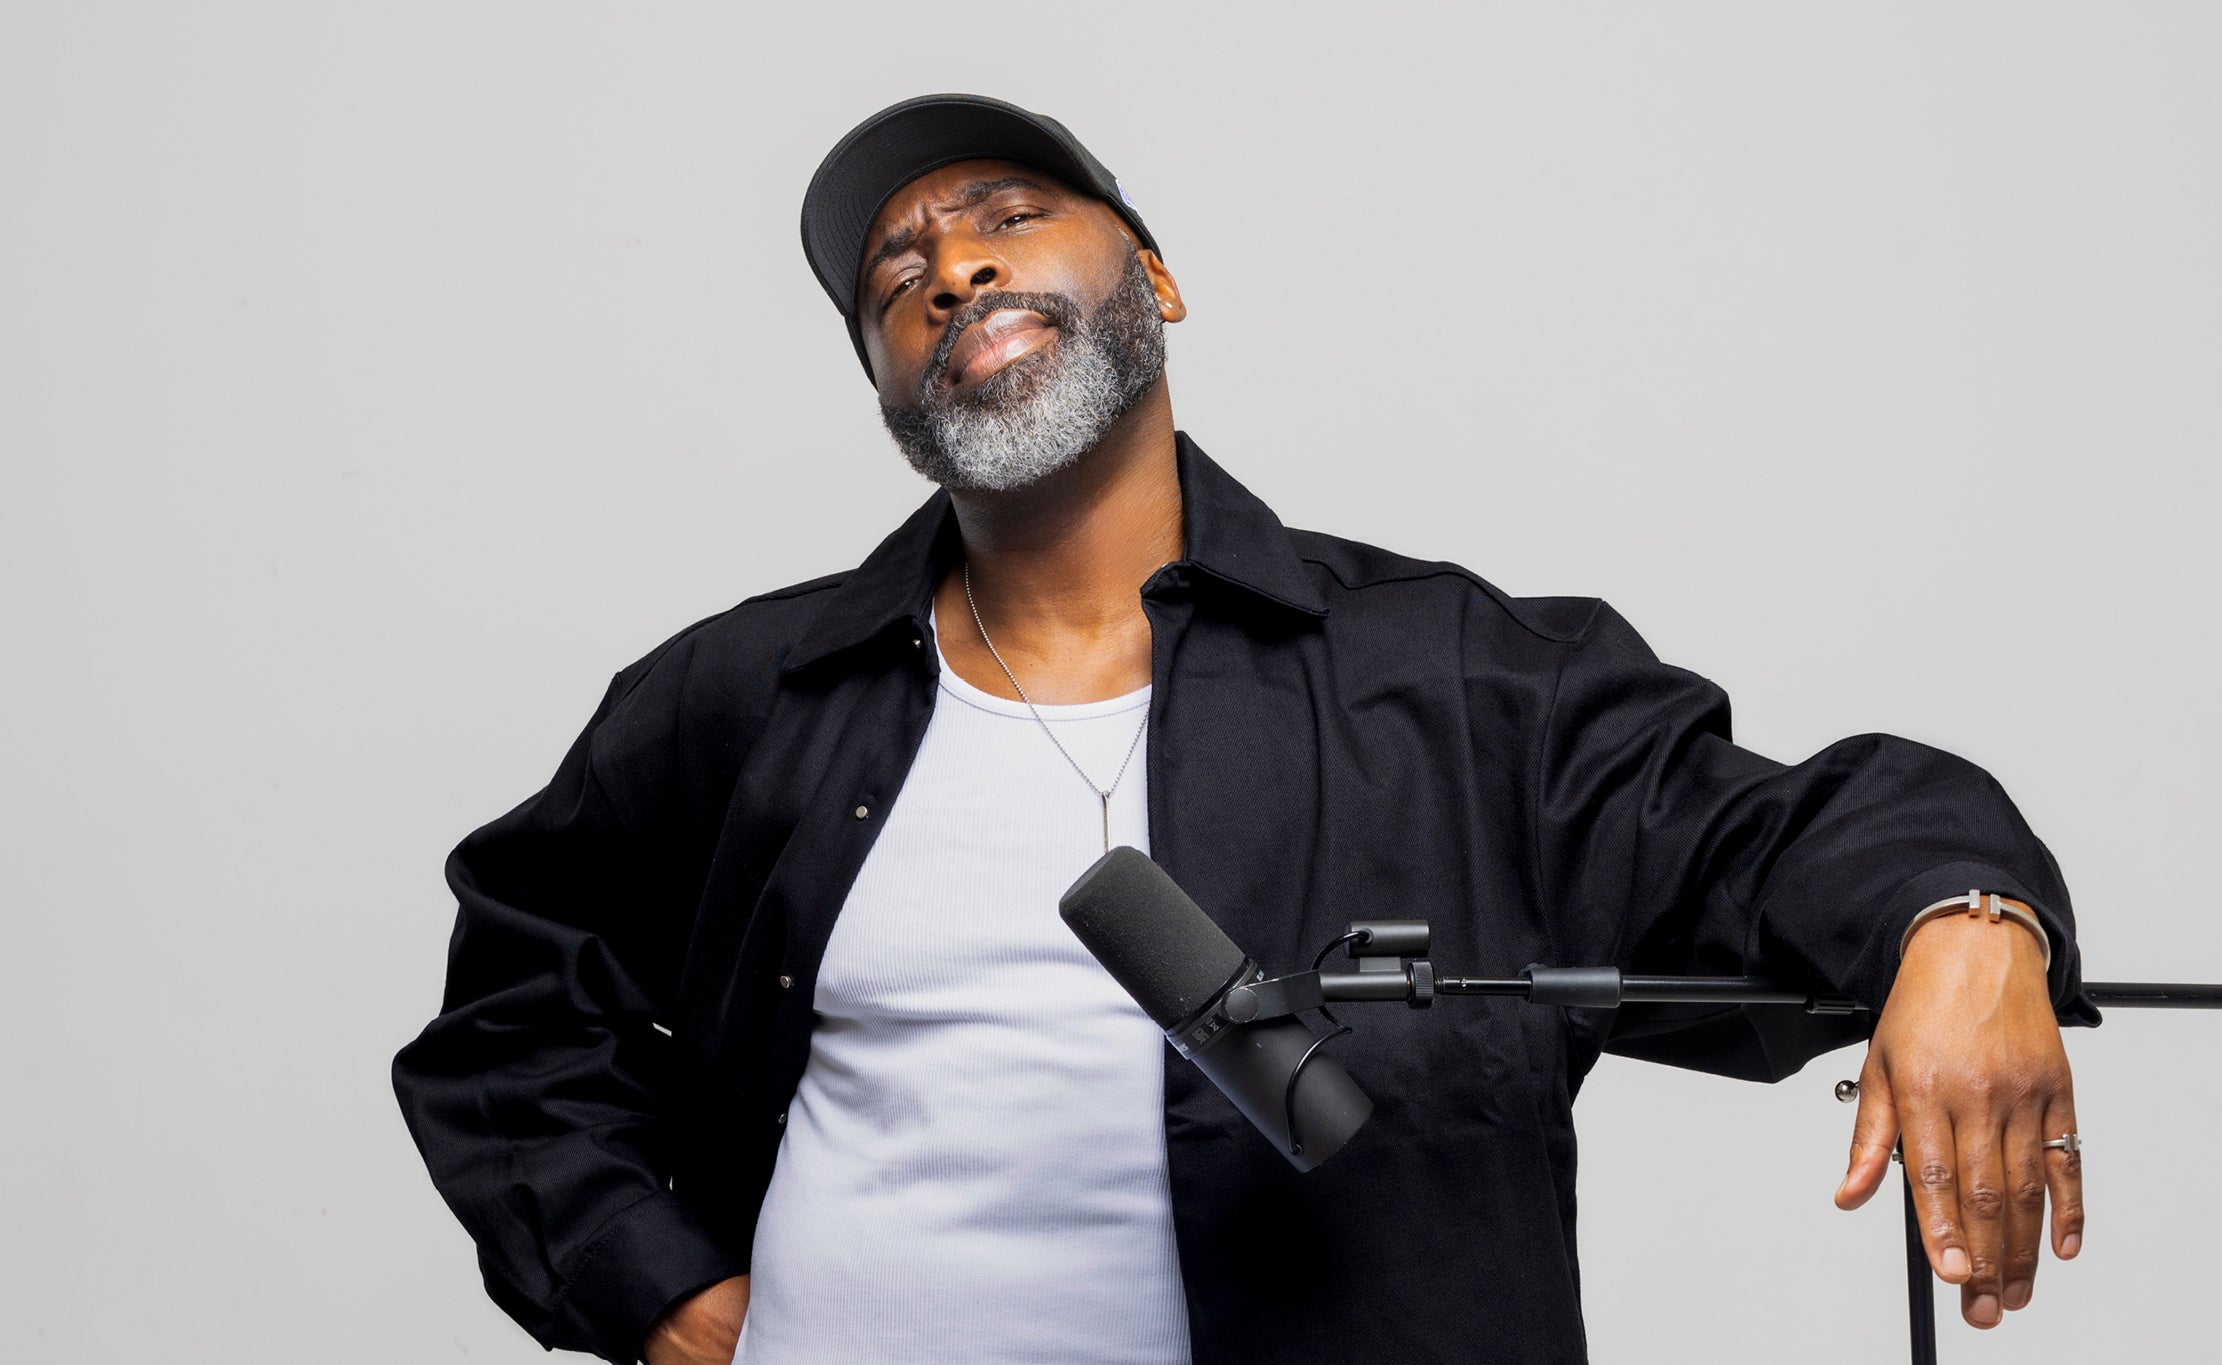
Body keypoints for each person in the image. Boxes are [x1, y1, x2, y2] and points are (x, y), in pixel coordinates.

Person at [392, 93, 2097, 1365]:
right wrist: (664, 1294)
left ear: (1154, 277)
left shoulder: (1450, 676)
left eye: (1005, 217)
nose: (948, 267)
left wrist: (1965, 917)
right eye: (892, 278)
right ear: (889, 386)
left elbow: (1769, 833)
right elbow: (512, 1016)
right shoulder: (746, 694)